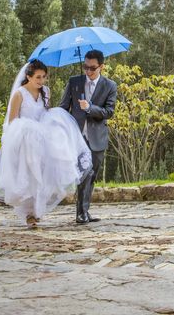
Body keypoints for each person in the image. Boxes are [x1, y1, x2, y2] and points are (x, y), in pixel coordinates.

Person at [0, 59, 92, 228]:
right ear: (28, 77)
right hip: (26, 140)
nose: (41, 81)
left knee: (43, 175)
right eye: (38, 77)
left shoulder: (46, 91)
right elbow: (12, 121)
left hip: (43, 139)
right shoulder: (19, 94)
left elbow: (45, 114)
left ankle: (37, 211)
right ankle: (29, 214)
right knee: (29, 175)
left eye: (44, 77)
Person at [60, 49, 117, 224]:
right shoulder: (74, 82)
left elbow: (109, 112)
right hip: (77, 137)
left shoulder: (110, 86)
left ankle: (84, 211)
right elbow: (63, 108)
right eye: (85, 67)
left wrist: (89, 108)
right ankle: (81, 214)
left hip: (97, 138)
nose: (88, 71)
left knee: (92, 175)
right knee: (83, 173)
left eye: (92, 68)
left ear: (101, 66)